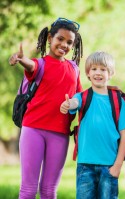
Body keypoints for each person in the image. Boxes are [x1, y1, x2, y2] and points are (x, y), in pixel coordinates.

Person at [9, 17, 83, 199]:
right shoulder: (39, 64)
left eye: (69, 42)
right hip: (33, 129)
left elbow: (79, 98)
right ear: (50, 38)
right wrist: (21, 59)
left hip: (60, 133)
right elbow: (31, 66)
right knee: (28, 189)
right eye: (60, 39)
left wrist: (73, 105)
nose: (64, 45)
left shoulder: (74, 69)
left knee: (49, 190)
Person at [60, 51, 125, 199]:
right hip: (85, 164)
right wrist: (68, 104)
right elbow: (74, 102)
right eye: (94, 69)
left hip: (110, 165)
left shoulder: (119, 101)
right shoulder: (82, 97)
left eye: (103, 69)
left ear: (110, 73)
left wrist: (117, 165)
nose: (98, 73)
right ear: (88, 73)